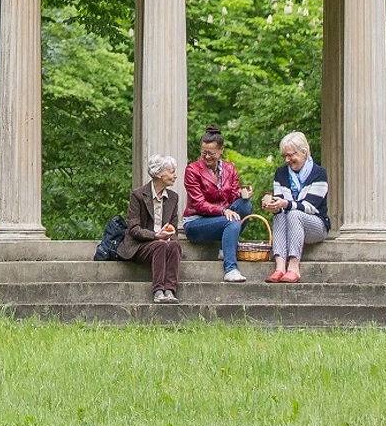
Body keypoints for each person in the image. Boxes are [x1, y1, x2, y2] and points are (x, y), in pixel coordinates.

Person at [180, 126, 254, 282]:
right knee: (232, 220)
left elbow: (233, 197)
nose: (206, 157)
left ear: (221, 151)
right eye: (203, 152)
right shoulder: (192, 170)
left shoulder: (230, 168)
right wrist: (222, 211)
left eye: (211, 153)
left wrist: (242, 192)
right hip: (196, 222)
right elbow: (199, 203)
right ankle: (230, 269)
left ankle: (224, 246)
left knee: (246, 206)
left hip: (222, 218)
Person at [116, 155, 188, 302]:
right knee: (159, 246)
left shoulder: (173, 197)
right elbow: (134, 229)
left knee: (174, 245)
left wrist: (169, 234)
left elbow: (173, 227)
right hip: (140, 244)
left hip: (163, 242)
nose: (175, 176)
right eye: (171, 171)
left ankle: (170, 290)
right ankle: (158, 292)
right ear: (158, 174)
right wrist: (156, 236)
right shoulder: (138, 195)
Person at [262, 130, 330, 282]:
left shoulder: (319, 173)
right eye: (284, 156)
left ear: (304, 152)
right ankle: (279, 267)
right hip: (288, 224)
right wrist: (272, 205)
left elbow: (310, 206)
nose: (287, 159)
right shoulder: (280, 173)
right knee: (280, 214)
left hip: (315, 224)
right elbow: (280, 203)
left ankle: (293, 266)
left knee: (293, 213)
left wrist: (285, 204)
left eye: (291, 155)